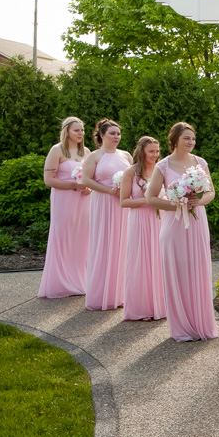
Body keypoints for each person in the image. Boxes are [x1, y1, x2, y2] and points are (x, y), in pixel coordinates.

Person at [145, 122, 218, 342]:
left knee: (197, 267)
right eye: (187, 138)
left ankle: (200, 324)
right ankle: (181, 327)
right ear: (175, 138)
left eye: (193, 138)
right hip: (173, 224)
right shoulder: (163, 166)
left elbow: (210, 193)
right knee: (177, 270)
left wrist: (198, 201)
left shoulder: (200, 163)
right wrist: (176, 204)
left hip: (196, 223)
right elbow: (151, 198)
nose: (191, 142)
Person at [38, 117, 92, 298]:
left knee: (81, 238)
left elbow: (91, 179)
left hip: (84, 200)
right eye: (77, 130)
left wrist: (88, 187)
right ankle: (59, 283)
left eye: (82, 130)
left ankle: (79, 281)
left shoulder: (86, 152)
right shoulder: (57, 150)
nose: (81, 133)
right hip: (63, 199)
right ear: (67, 131)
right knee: (62, 236)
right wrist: (73, 186)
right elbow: (48, 180)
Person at [81, 119, 132, 310]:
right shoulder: (94, 156)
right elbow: (86, 179)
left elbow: (135, 176)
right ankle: (101, 295)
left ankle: (121, 294)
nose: (116, 137)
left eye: (118, 134)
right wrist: (108, 190)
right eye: (112, 133)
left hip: (123, 205)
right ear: (102, 135)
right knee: (103, 244)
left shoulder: (126, 155)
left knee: (123, 245)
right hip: (103, 204)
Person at [121, 136, 166, 321]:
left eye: (157, 151)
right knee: (140, 262)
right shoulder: (130, 172)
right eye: (151, 152)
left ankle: (160, 306)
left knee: (158, 260)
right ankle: (142, 308)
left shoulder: (160, 170)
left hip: (159, 219)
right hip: (139, 221)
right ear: (142, 152)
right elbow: (124, 201)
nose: (155, 155)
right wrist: (147, 200)